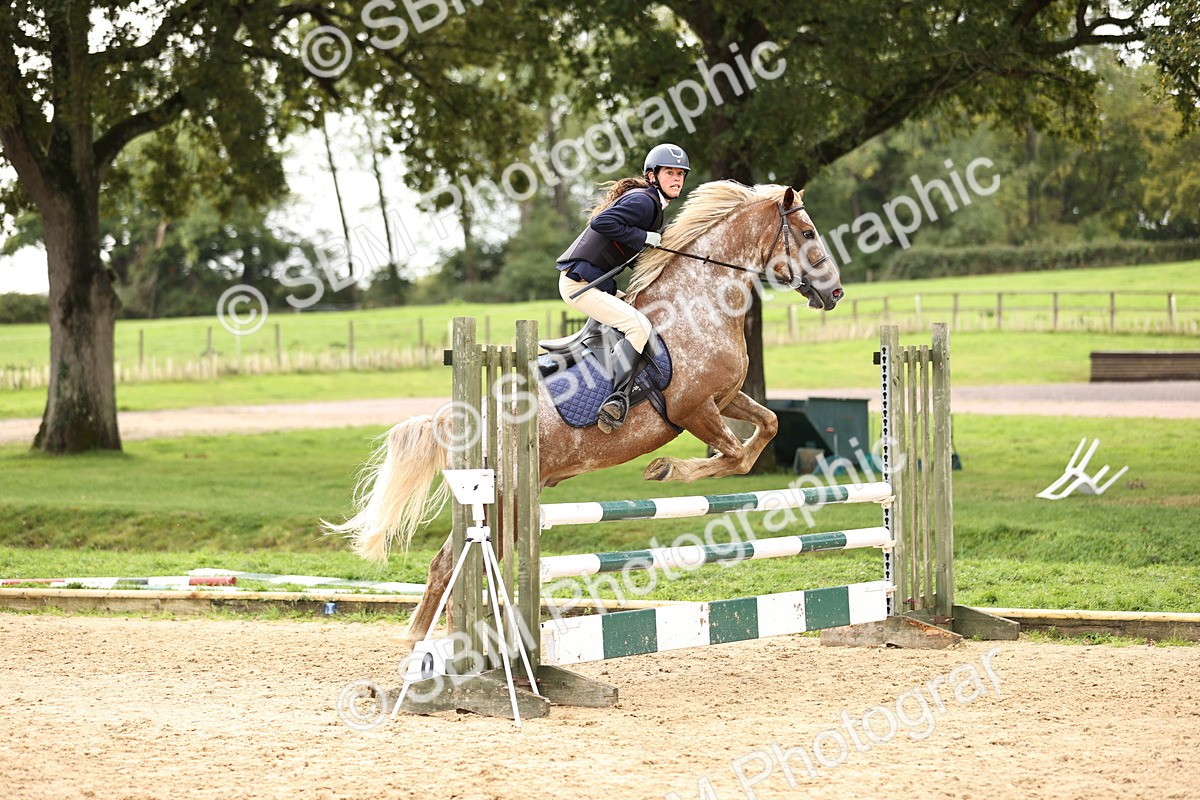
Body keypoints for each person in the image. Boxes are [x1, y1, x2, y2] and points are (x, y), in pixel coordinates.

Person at [556, 143, 690, 433]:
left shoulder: (653, 207)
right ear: (653, 176)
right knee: (638, 326)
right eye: (670, 173)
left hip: (596, 284)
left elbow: (628, 251)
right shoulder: (644, 201)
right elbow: (601, 221)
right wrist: (645, 236)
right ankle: (616, 399)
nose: (677, 179)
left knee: (645, 313)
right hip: (580, 284)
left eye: (681, 174)